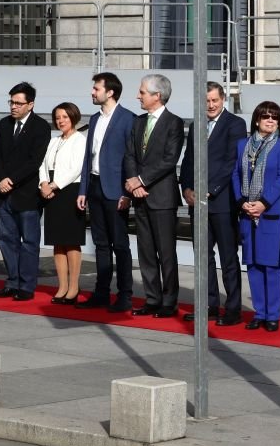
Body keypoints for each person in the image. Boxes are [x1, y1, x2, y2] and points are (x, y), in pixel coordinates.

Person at [181, 82, 247, 326]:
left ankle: (233, 309)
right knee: (203, 258)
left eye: (214, 101)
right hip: (195, 202)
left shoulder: (235, 124)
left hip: (222, 202)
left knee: (228, 257)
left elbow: (231, 161)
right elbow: (188, 160)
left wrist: (209, 191)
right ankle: (209, 305)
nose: (210, 105)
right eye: (206, 101)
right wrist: (186, 188)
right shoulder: (196, 124)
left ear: (222, 100)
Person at [124, 74, 185, 318]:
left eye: (142, 92)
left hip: (162, 198)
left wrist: (141, 180)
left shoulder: (174, 123)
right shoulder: (138, 122)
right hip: (140, 196)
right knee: (146, 251)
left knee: (166, 252)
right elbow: (129, 155)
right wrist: (133, 183)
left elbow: (169, 160)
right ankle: (152, 298)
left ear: (157, 96)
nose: (138, 96)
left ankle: (169, 301)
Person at [76, 72, 136, 312]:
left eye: (96, 89)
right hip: (95, 187)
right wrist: (83, 190)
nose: (92, 92)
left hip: (117, 190)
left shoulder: (128, 118)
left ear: (110, 92)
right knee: (100, 244)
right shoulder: (93, 119)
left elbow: (132, 159)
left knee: (120, 245)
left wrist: (128, 192)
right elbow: (87, 157)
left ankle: (125, 295)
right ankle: (101, 293)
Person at [233, 101, 280, 332]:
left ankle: (272, 315)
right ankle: (259, 312)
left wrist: (263, 203)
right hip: (247, 213)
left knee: (271, 266)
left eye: (275, 117)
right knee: (253, 265)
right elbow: (235, 175)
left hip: (270, 213)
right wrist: (242, 202)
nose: (270, 121)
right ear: (257, 119)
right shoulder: (242, 144)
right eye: (266, 116)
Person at [0, 82, 50, 301]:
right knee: (6, 239)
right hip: (4, 194)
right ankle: (12, 281)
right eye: (11, 102)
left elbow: (34, 161)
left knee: (29, 242)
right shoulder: (5, 124)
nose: (13, 106)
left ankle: (26, 285)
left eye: (18, 103)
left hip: (27, 195)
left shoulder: (40, 127)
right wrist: (0, 180)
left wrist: (11, 180)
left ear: (30, 104)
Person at [40, 102, 87, 304]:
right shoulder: (53, 141)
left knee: (71, 240)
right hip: (51, 192)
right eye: (58, 117)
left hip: (70, 191)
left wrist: (54, 185)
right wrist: (43, 183)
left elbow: (76, 168)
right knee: (58, 241)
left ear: (73, 118)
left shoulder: (80, 140)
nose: (60, 121)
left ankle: (74, 286)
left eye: (65, 117)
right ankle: (62, 286)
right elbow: (43, 164)